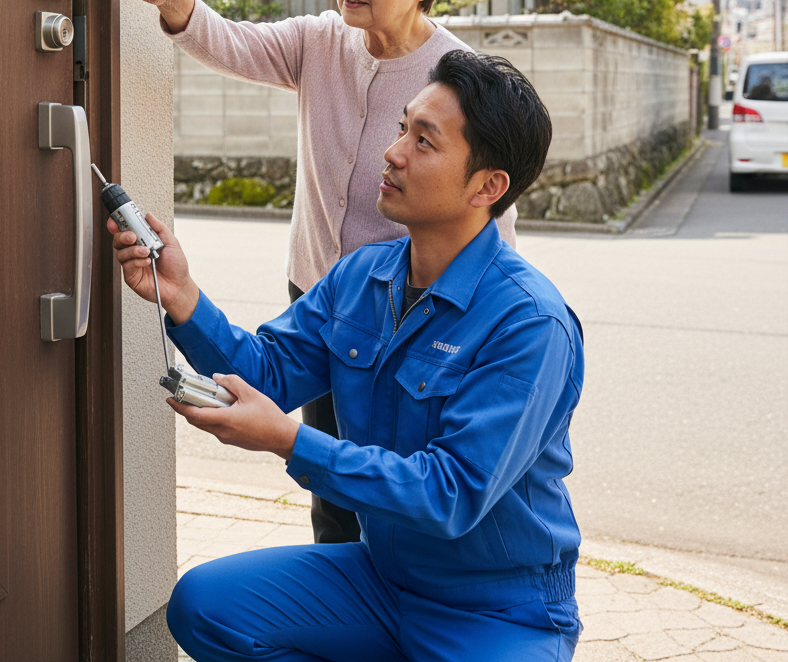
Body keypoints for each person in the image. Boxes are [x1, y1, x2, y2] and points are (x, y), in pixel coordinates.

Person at [110, 50, 584, 662]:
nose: (394, 152)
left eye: (424, 141)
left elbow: (451, 494)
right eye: (401, 128)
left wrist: (289, 442)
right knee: (206, 607)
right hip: (382, 580)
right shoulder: (361, 276)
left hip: (498, 609)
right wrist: (182, 298)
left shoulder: (529, 323)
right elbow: (268, 374)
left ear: (488, 186)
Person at [109, 0, 518, 543]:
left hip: (414, 314)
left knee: (399, 479)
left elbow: (487, 223)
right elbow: (232, 41)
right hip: (324, 296)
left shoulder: (459, 80)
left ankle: (405, 608)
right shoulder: (321, 41)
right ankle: (343, 603)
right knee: (330, 480)